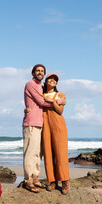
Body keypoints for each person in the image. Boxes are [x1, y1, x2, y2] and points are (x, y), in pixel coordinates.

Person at [22, 64, 64, 193]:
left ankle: (35, 177)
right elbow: (41, 101)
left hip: (40, 123)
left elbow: (45, 99)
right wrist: (57, 102)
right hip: (31, 122)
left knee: (38, 153)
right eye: (37, 71)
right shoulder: (30, 84)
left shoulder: (41, 87)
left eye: (42, 71)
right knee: (30, 152)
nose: (40, 72)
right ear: (33, 72)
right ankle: (28, 180)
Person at [41, 74, 69, 195]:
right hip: (45, 125)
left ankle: (65, 182)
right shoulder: (41, 95)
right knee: (48, 153)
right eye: (50, 78)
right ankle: (52, 181)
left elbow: (60, 110)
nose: (53, 80)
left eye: (55, 80)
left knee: (60, 153)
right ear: (46, 81)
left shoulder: (60, 94)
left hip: (58, 125)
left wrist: (52, 100)